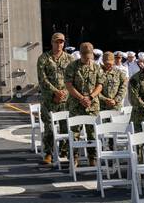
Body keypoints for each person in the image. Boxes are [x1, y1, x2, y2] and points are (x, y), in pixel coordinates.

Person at [65, 42, 103, 161]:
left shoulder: (97, 67)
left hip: (92, 105)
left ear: (92, 54)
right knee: (74, 132)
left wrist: (90, 97)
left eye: (89, 55)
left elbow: (100, 85)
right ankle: (73, 157)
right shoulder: (72, 67)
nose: (87, 57)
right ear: (80, 54)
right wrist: (81, 98)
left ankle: (93, 157)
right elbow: (69, 85)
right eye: (84, 55)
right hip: (76, 104)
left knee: (92, 132)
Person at [37, 33, 71, 165]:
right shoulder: (44, 58)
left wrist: (64, 93)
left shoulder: (69, 59)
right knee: (49, 127)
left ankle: (63, 150)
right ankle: (48, 153)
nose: (59, 44)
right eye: (57, 42)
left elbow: (73, 79)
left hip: (65, 99)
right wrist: (55, 92)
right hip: (49, 99)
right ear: (52, 43)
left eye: (61, 42)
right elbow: (42, 78)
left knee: (65, 126)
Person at [97, 50, 127, 115]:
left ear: (113, 61)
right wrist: (105, 99)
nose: (108, 65)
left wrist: (115, 100)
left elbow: (123, 88)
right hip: (102, 107)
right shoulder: (97, 73)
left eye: (110, 63)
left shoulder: (119, 73)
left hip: (116, 107)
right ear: (102, 61)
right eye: (106, 63)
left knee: (117, 124)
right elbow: (94, 89)